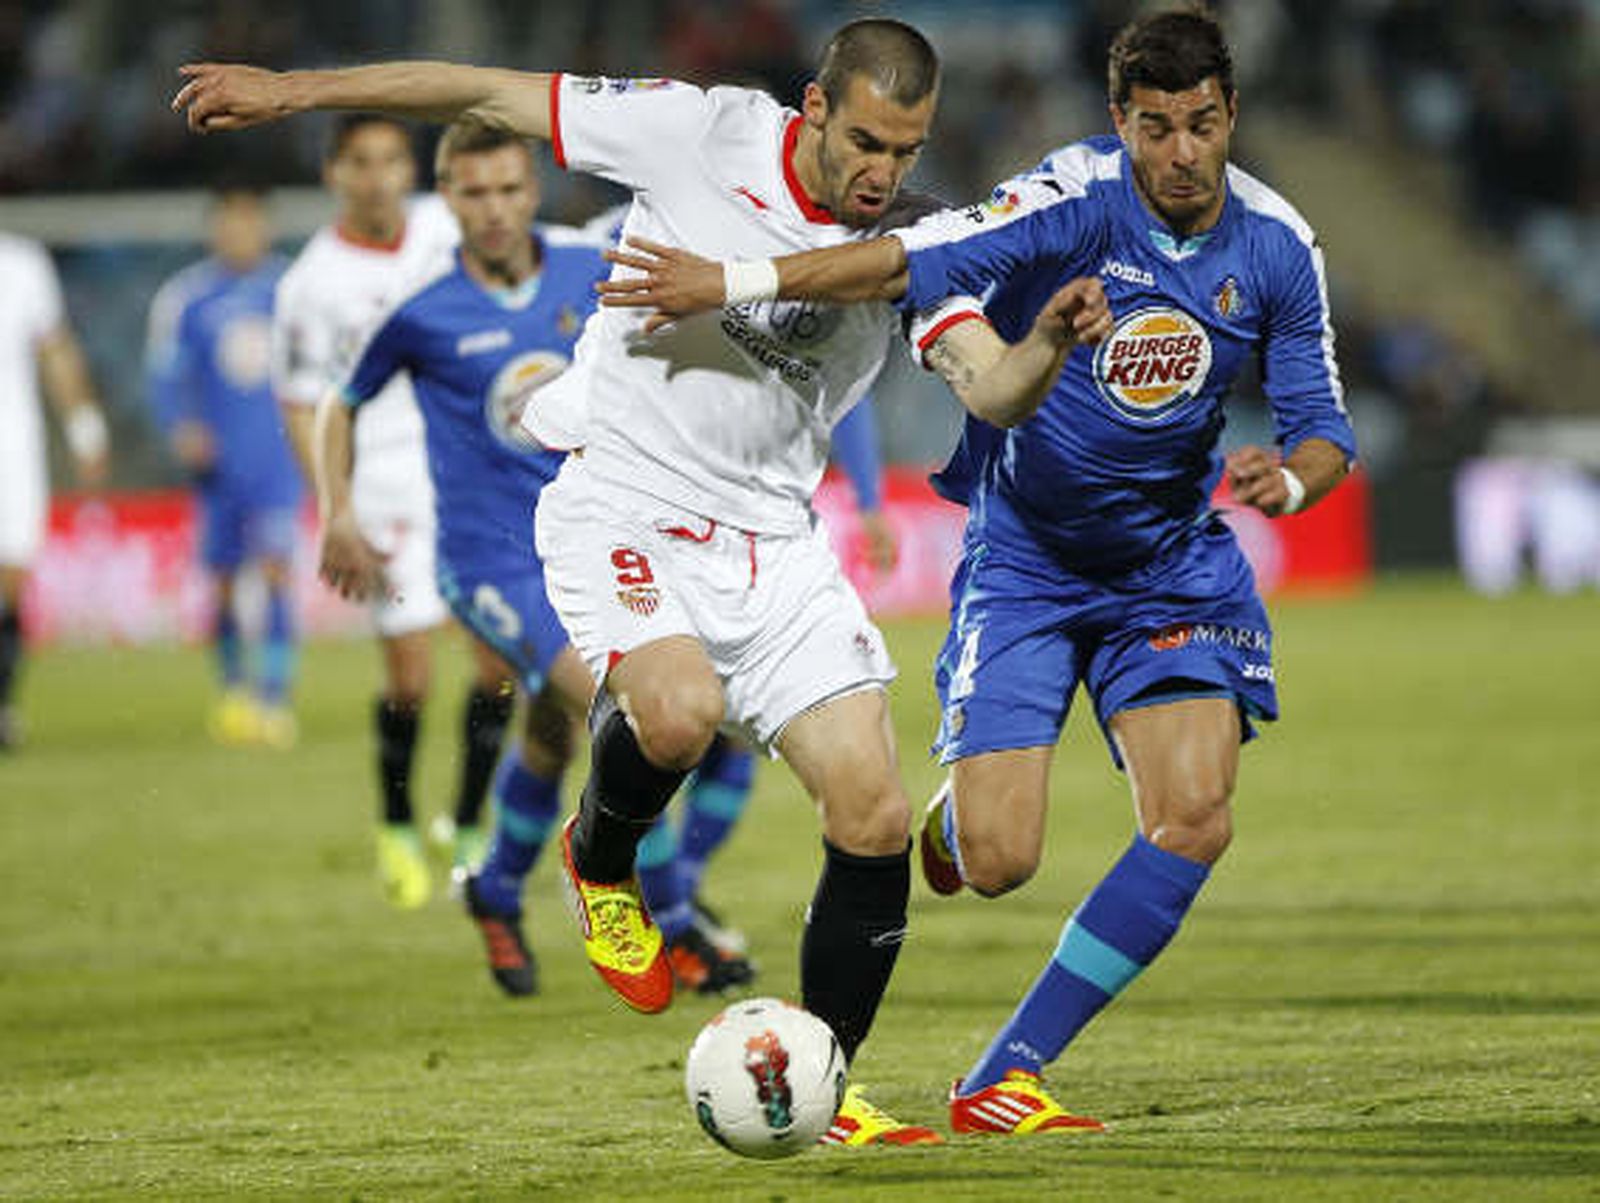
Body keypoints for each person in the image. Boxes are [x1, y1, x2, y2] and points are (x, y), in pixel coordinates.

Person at [172, 16, 1110, 1147]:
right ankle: (597, 858)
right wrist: (290, 92)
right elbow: (484, 86)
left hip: (773, 548)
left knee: (871, 813)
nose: (882, 172)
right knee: (676, 716)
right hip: (623, 501)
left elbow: (994, 390)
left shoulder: (907, 243)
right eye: (865, 142)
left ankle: (819, 1085)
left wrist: (1050, 340)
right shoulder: (695, 131)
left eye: (905, 152)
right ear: (813, 110)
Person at [592, 7, 1358, 1138]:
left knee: (1193, 815)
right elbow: (909, 259)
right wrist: (733, 279)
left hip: (1168, 564)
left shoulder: (1279, 244)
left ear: (1230, 115)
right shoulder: (1065, 199)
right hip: (1029, 562)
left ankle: (1006, 1072)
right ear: (1120, 122)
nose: (1182, 153)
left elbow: (1322, 424)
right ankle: (953, 831)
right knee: (997, 860)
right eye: (1156, 128)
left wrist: (1289, 486)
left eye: (1202, 126)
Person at [272, 114, 510, 910]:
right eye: (361, 163)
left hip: (467, 471)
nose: (379, 177)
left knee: (498, 666)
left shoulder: (449, 229)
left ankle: (471, 821)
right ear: (334, 173)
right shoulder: (311, 283)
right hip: (378, 486)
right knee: (409, 677)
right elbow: (302, 405)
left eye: (392, 161)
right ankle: (398, 822)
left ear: (414, 170)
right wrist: (334, 507)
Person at [146, 187, 301, 746]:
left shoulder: (292, 289)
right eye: (229, 224)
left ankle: (274, 698)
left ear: (264, 227)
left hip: (279, 461)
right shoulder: (187, 298)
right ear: (214, 229)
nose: (239, 233)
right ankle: (235, 690)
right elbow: (165, 375)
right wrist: (181, 427)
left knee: (278, 569)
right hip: (218, 468)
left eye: (249, 222)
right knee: (224, 583)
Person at [0, 232, 109, 750]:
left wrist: (84, 424)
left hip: (12, 447)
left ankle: (1, 704)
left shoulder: (21, 264)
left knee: (11, 577)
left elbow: (55, 349)